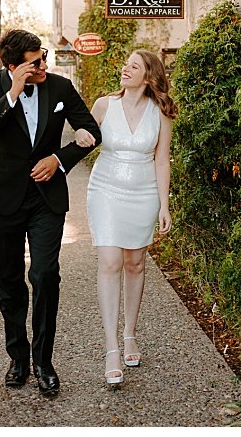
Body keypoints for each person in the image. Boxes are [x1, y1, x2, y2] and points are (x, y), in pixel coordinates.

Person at [0, 29, 101, 397]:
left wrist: (59, 158)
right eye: (35, 61)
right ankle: (18, 359)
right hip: (2, 199)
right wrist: (11, 94)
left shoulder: (60, 87)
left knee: (44, 275)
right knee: (9, 282)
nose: (44, 64)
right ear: (13, 67)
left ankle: (44, 362)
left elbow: (91, 130)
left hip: (46, 199)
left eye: (43, 57)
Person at [76, 50, 175, 387]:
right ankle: (112, 349)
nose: (125, 68)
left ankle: (130, 333)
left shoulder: (160, 114)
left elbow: (162, 161)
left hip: (144, 194)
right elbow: (84, 138)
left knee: (135, 264)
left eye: (135, 66)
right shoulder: (105, 105)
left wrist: (164, 204)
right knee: (110, 262)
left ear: (149, 76)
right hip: (105, 190)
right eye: (126, 64)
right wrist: (79, 135)